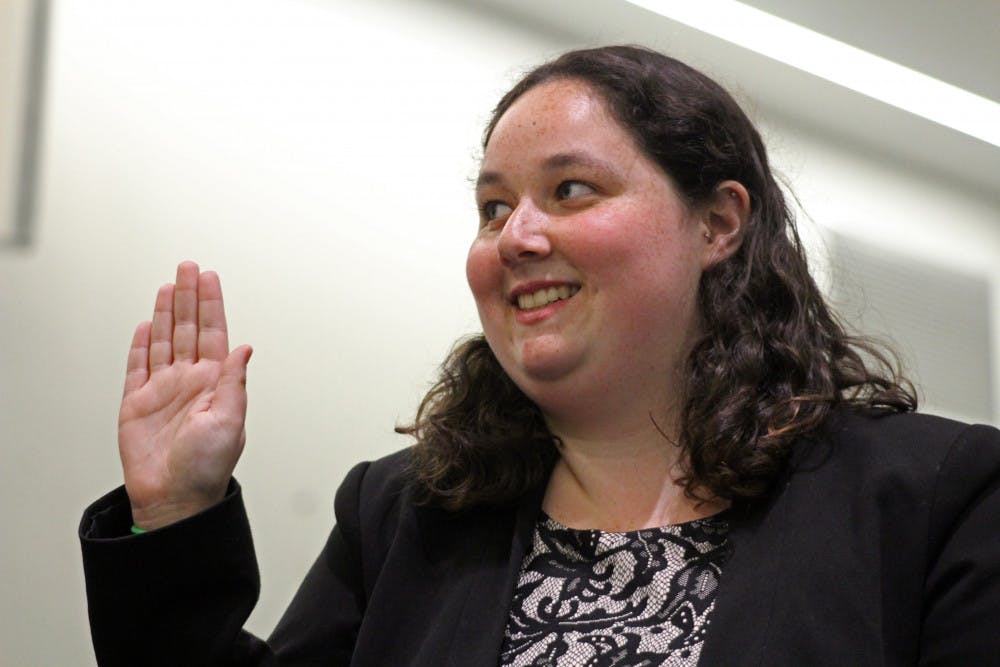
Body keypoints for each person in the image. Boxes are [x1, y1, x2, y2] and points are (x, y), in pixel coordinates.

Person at [80, 45, 1000, 666]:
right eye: (491, 208)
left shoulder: (934, 497)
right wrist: (175, 513)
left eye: (569, 189)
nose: (515, 235)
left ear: (717, 222)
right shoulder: (402, 514)